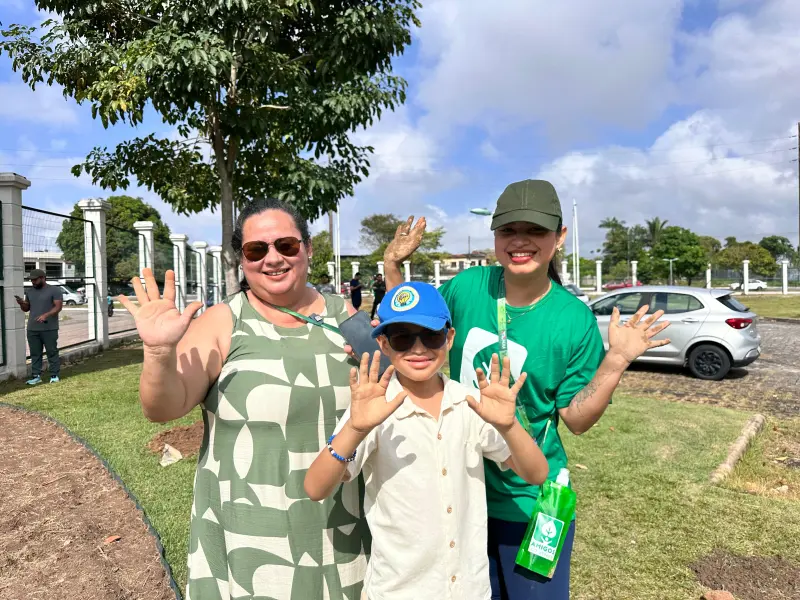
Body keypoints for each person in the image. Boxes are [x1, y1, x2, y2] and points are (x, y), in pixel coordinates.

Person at [381, 180, 671, 600]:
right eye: (508, 230)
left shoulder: (572, 318)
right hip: (460, 491)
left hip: (532, 498)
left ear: (560, 236)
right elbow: (411, 329)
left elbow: (576, 419)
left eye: (535, 230)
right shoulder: (467, 287)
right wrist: (392, 266)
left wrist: (616, 361)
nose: (520, 241)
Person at [118, 198, 369, 600]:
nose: (273, 258)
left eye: (286, 245)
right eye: (256, 249)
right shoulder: (223, 321)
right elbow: (162, 408)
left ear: (308, 248)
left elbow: (388, 397)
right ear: (242, 259)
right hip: (250, 531)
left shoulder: (347, 318)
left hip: (343, 523)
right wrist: (160, 351)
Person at [305, 282, 549, 600]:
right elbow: (315, 488)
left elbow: (536, 473)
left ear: (449, 338)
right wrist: (355, 428)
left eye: (431, 335)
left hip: (468, 590)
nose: (418, 349)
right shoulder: (372, 409)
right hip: (398, 591)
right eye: (402, 337)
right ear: (383, 344)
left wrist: (509, 425)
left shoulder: (470, 403)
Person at [15, 269, 62, 385]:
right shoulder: (30, 292)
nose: (33, 282)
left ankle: (54, 375)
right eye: (31, 280)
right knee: (35, 353)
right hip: (32, 328)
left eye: (35, 280)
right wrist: (22, 303)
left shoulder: (54, 290)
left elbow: (58, 307)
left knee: (52, 352)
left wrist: (46, 315)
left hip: (49, 328)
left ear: (43, 278)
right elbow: (26, 309)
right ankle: (36, 376)